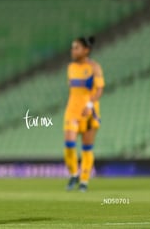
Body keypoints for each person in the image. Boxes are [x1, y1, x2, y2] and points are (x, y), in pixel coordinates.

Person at [63, 36, 105, 192]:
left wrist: (89, 104)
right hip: (72, 111)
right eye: (72, 47)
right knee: (69, 144)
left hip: (89, 111)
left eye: (76, 48)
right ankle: (74, 173)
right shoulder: (70, 67)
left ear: (86, 50)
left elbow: (99, 89)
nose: (73, 51)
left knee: (87, 147)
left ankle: (84, 180)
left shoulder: (94, 67)